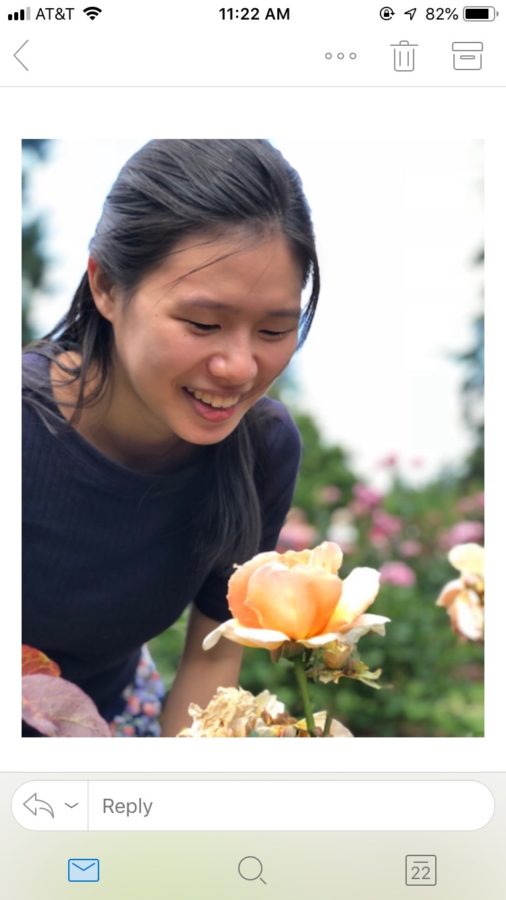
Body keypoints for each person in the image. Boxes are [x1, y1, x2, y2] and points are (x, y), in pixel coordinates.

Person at [22, 139, 320, 737]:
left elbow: (211, 663)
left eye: (274, 329)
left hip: (114, 724)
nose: (239, 367)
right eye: (203, 324)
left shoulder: (261, 448)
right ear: (107, 287)